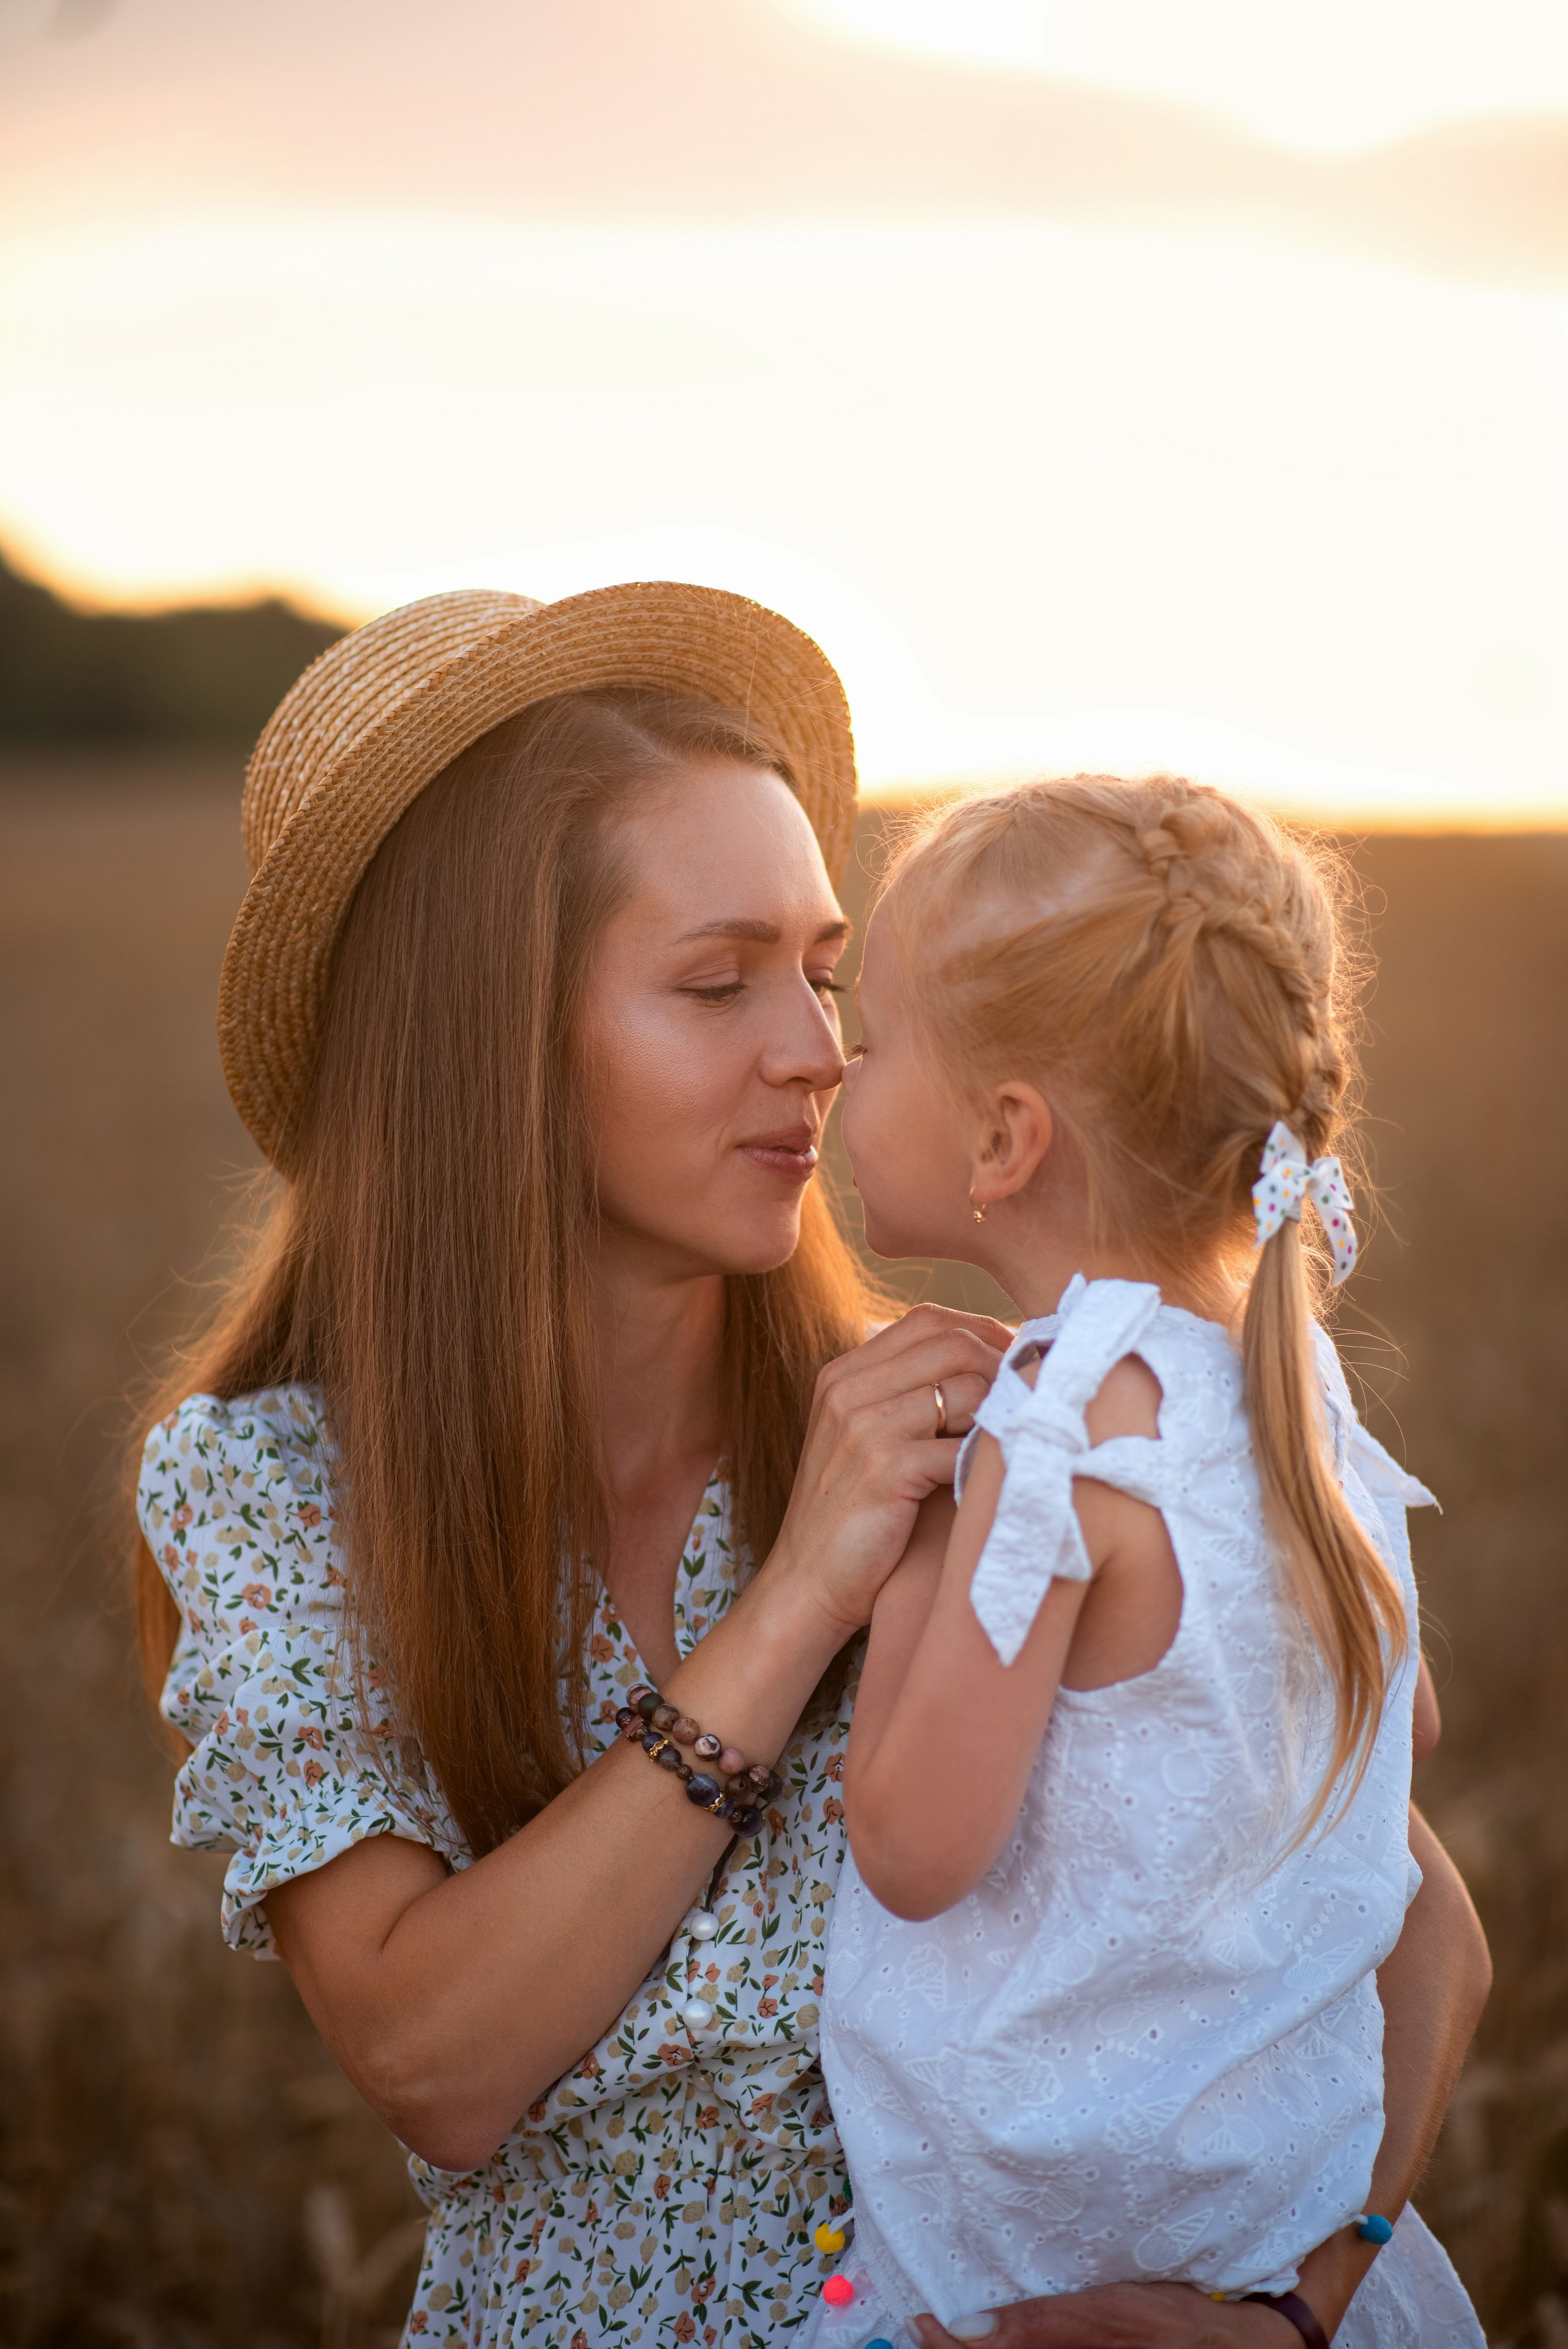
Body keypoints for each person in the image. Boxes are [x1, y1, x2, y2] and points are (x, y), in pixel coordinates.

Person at [133, 590, 1488, 2349]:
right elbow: (436, 2063)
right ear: (483, 1041)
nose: (819, 1050)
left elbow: (1404, 1915)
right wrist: (795, 1602)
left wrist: (1305, 2301)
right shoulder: (271, 1487)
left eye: (829, 972)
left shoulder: (983, 1428)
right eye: (718, 981)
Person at [814, 776, 1486, 2349]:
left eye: (880, 1035)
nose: (845, 1070)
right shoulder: (1282, 1381)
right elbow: (1411, 1729)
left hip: (1034, 2276)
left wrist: (907, 1548)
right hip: (1278, 2252)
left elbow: (914, 1847)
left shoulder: (1057, 1427)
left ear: (1003, 1135)